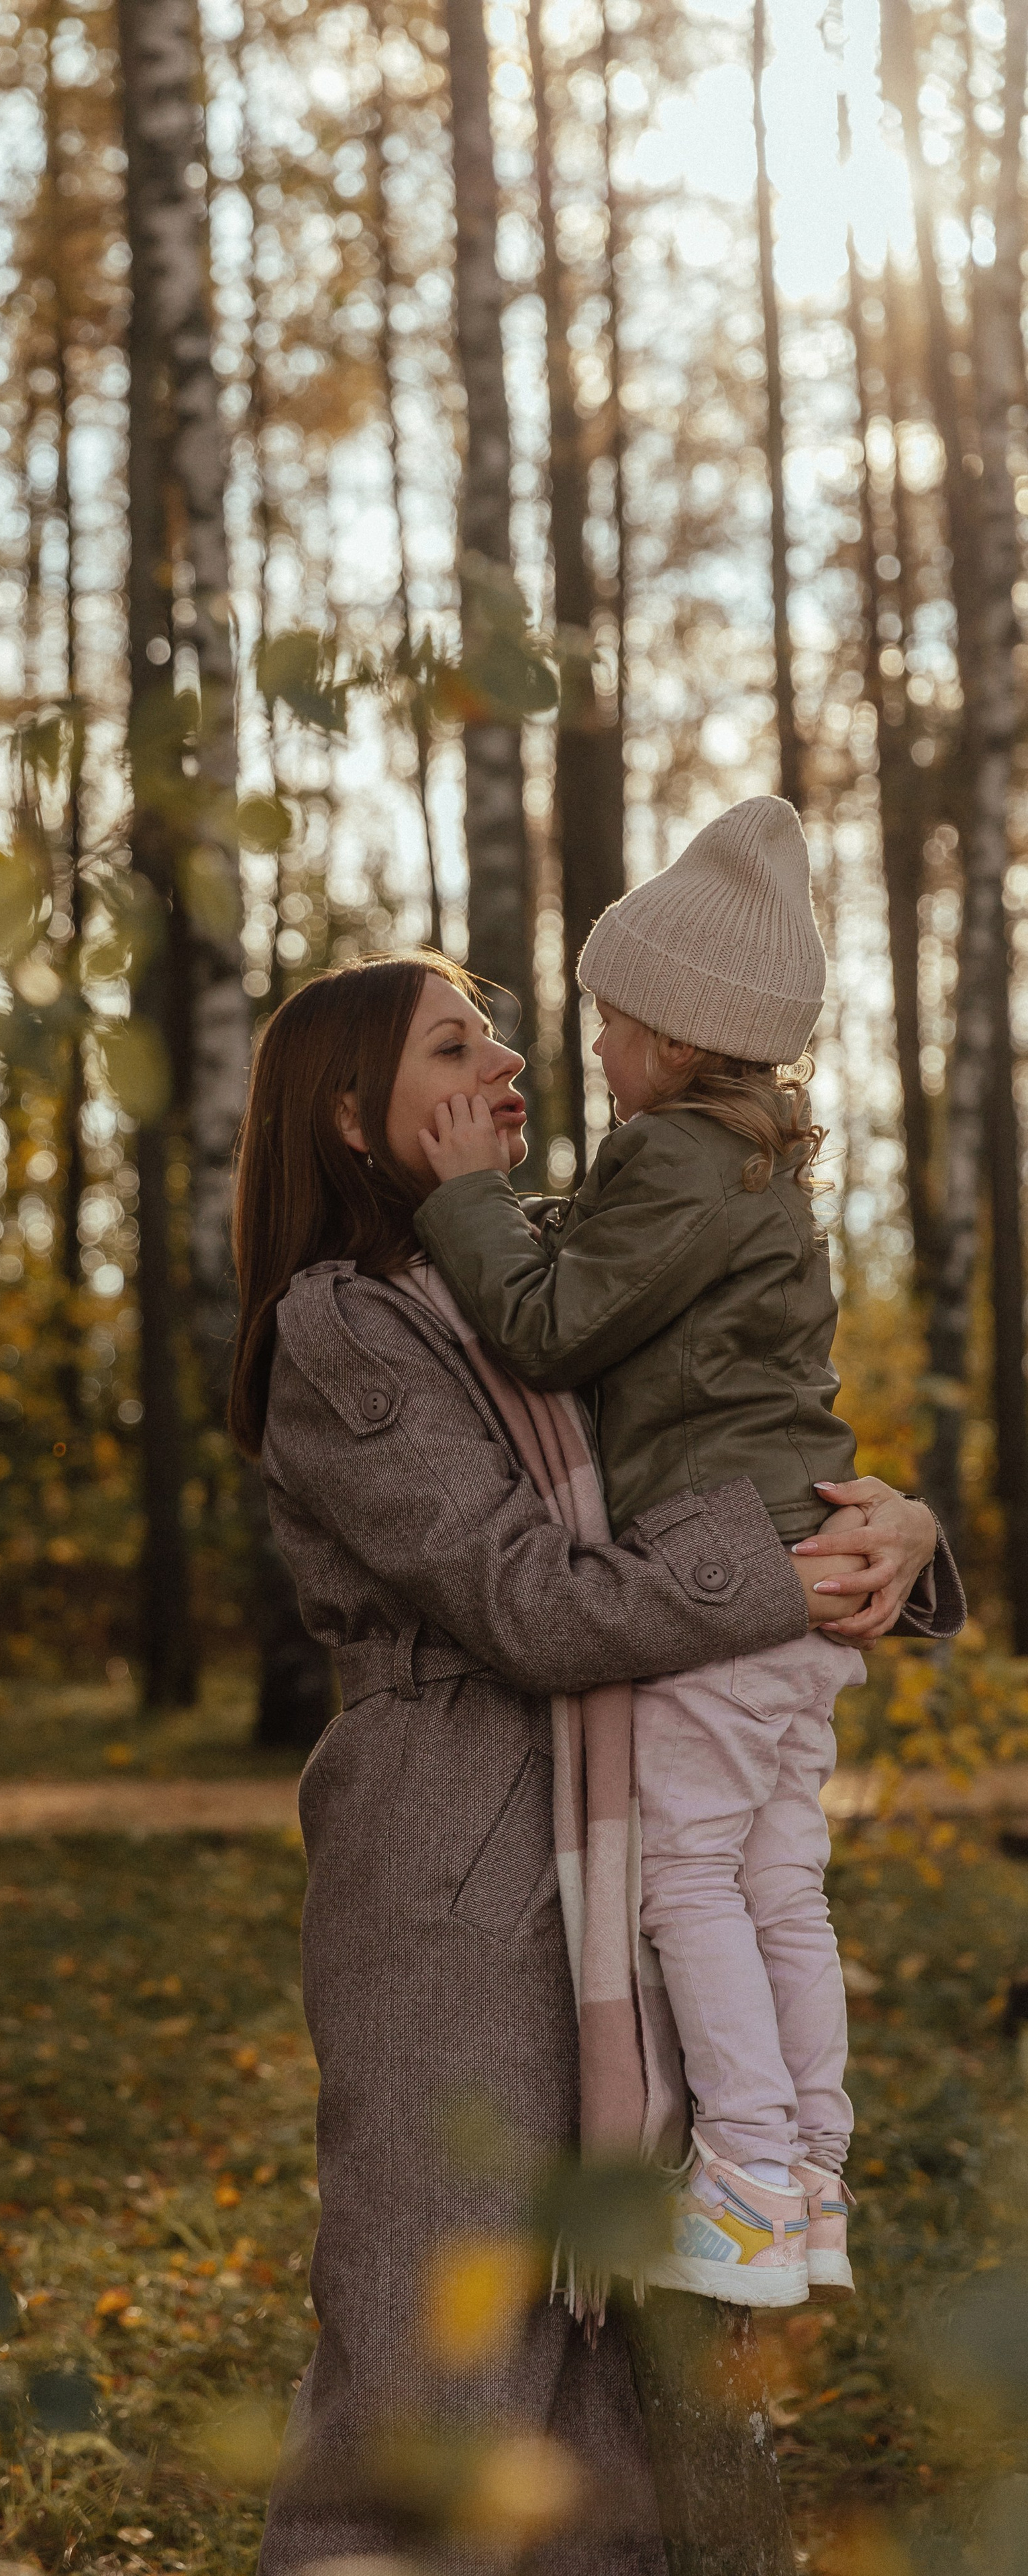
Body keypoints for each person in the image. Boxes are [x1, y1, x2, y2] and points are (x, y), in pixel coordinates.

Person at [229, 947, 960, 2574]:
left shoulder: (545, 1262)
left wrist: (900, 1532)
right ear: (351, 1117)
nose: (506, 1061)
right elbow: (528, 1602)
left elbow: (737, 1424)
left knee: (637, 2391)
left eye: (497, 1032)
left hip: (629, 1826)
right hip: (455, 1868)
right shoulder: (339, 1332)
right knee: (438, 2357)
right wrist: (783, 1577)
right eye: (452, 1043)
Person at [413, 796, 923, 2312]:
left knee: (686, 1876)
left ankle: (750, 2186)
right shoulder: (752, 1162)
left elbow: (550, 1324)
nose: (594, 1052)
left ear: (673, 1033)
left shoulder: (674, 1159)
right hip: (796, 1572)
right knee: (779, 1882)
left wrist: (465, 1204)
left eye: (608, 1024)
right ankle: (812, 2184)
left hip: (716, 1563)